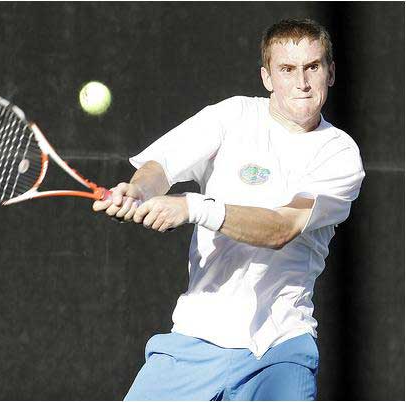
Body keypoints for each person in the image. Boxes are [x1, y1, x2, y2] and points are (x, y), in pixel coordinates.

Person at [93, 18, 365, 400]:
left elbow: (281, 228)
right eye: (287, 69)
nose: (301, 83)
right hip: (194, 337)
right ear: (267, 77)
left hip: (280, 348)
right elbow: (162, 167)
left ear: (330, 72)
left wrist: (193, 207)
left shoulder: (339, 153)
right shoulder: (231, 115)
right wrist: (138, 190)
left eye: (312, 67)